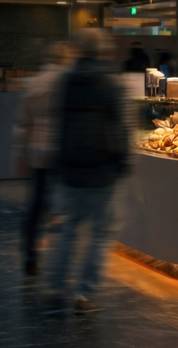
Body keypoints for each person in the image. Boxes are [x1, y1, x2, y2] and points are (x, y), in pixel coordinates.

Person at [48, 29, 130, 314]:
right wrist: (124, 162)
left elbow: (57, 123)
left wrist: (58, 161)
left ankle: (55, 285)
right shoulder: (110, 82)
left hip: (70, 167)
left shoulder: (65, 80)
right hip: (102, 169)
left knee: (68, 230)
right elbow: (121, 126)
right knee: (100, 234)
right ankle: (84, 294)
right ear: (101, 50)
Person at [14, 42, 73, 276]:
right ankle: (60, 261)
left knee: (36, 205)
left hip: (37, 152)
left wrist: (20, 153)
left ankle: (30, 254)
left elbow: (23, 124)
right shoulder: (67, 82)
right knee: (62, 206)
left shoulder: (33, 82)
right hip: (61, 152)